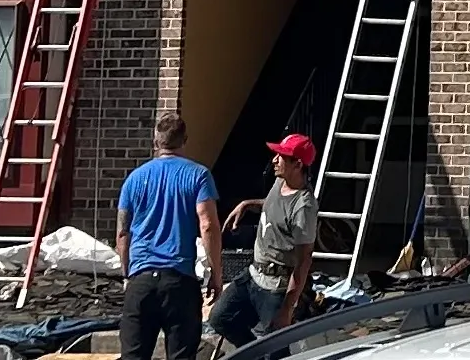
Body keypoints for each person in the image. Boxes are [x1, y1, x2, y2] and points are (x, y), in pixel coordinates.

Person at [117, 111, 221, 360]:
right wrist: (216, 274)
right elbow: (207, 225)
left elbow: (123, 232)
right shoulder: (198, 175)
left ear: (156, 143)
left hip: (141, 280)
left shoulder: (134, 179)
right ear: (185, 140)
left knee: (133, 355)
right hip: (179, 282)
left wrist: (126, 274)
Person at [204, 132, 319, 352]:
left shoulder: (303, 207)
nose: (274, 159)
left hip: (275, 287)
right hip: (253, 276)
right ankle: (252, 354)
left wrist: (288, 307)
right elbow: (275, 206)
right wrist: (248, 204)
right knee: (220, 318)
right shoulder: (279, 183)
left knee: (275, 347)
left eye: (281, 156)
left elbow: (304, 260)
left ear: (297, 164)